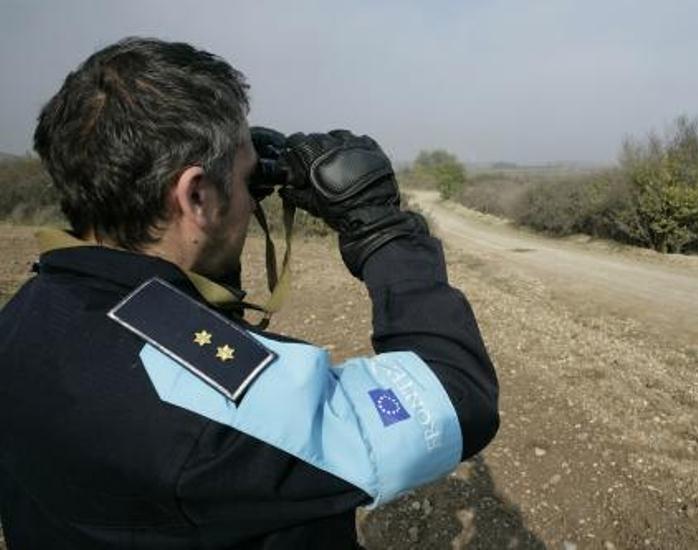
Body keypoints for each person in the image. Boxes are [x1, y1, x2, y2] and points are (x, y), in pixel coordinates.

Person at [0, 37, 499, 548]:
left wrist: (223, 210)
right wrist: (381, 226)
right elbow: (453, 396)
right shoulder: (215, 409)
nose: (253, 185)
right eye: (246, 176)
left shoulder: (24, 318)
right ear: (196, 195)